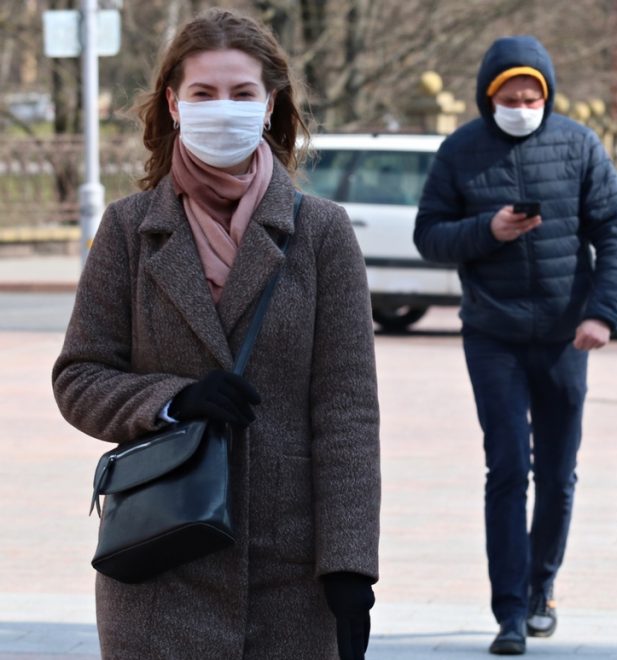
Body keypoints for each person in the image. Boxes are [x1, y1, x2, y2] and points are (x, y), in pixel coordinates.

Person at [51, 9, 380, 659]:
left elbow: (346, 412)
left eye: (242, 93)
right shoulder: (128, 228)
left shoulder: (321, 232)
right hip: (159, 563)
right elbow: (79, 376)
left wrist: (350, 566)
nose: (221, 108)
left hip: (291, 574)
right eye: (203, 93)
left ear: (270, 105)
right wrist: (173, 399)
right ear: (173, 104)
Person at [415, 35, 617, 656]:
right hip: (494, 336)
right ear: (488, 98)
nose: (520, 105)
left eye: (530, 95)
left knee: (559, 474)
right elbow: (428, 235)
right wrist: (488, 229)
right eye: (508, 96)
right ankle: (509, 611)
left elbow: (614, 234)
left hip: (568, 336)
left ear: (547, 94)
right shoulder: (460, 151)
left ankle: (543, 589)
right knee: (509, 468)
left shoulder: (579, 145)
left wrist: (602, 315)